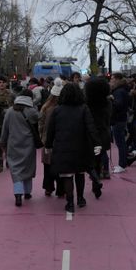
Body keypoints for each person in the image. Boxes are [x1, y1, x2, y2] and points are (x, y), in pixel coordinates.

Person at [45, 83, 100, 218]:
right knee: (79, 173)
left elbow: (50, 130)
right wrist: (97, 143)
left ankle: (70, 202)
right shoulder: (83, 108)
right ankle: (80, 198)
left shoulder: (57, 110)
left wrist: (48, 145)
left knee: (67, 175)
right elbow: (90, 127)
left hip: (63, 146)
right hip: (81, 146)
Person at [0, 94, 39, 207]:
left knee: (16, 169)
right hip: (28, 143)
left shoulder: (10, 111)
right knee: (28, 167)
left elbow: (5, 128)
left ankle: (17, 194)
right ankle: (27, 192)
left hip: (13, 143)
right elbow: (40, 118)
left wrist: (2, 141)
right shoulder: (31, 111)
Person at [39, 79, 63, 197]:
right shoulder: (64, 109)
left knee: (47, 166)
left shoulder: (45, 108)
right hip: (60, 141)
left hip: (46, 139)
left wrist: (42, 137)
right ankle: (61, 189)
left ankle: (48, 187)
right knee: (61, 166)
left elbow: (41, 125)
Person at [109, 73, 131, 173]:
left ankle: (122, 164)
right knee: (121, 142)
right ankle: (123, 163)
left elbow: (119, 104)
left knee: (120, 142)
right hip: (120, 119)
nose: (111, 81)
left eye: (112, 79)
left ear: (117, 79)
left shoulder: (118, 92)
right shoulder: (122, 90)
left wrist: (111, 100)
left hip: (118, 119)